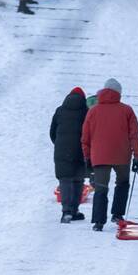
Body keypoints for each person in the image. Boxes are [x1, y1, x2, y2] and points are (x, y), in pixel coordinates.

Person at [81, 78, 138, 232]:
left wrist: (87, 157)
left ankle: (98, 222)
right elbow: (134, 134)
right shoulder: (127, 110)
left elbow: (85, 138)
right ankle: (117, 214)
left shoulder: (93, 111)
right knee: (122, 183)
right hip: (122, 155)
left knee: (101, 188)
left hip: (100, 156)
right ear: (119, 93)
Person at [50, 87, 89, 223]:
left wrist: (59, 144)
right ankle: (74, 210)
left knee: (65, 180)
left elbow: (52, 132)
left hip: (62, 150)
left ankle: (66, 211)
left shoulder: (60, 111)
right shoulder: (86, 112)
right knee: (78, 180)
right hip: (80, 150)